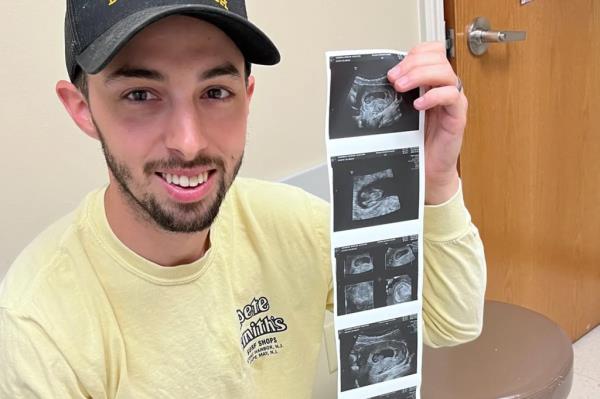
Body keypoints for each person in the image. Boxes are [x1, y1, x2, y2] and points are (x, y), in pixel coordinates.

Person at [0, 0, 486, 397]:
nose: (188, 143)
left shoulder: (292, 224)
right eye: (140, 95)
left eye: (215, 92)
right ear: (82, 108)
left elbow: (449, 323)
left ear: (248, 95)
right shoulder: (38, 326)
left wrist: (437, 178)